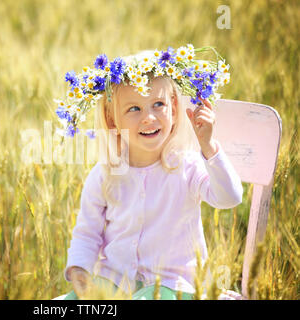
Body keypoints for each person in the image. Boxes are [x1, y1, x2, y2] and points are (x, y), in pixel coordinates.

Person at [54, 46, 243, 300]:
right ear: (112, 120)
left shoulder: (186, 166)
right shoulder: (105, 174)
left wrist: (208, 147)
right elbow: (87, 233)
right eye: (134, 109)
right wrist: (80, 273)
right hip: (114, 284)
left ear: (174, 110)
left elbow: (229, 197)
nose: (149, 118)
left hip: (172, 287)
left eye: (158, 104)